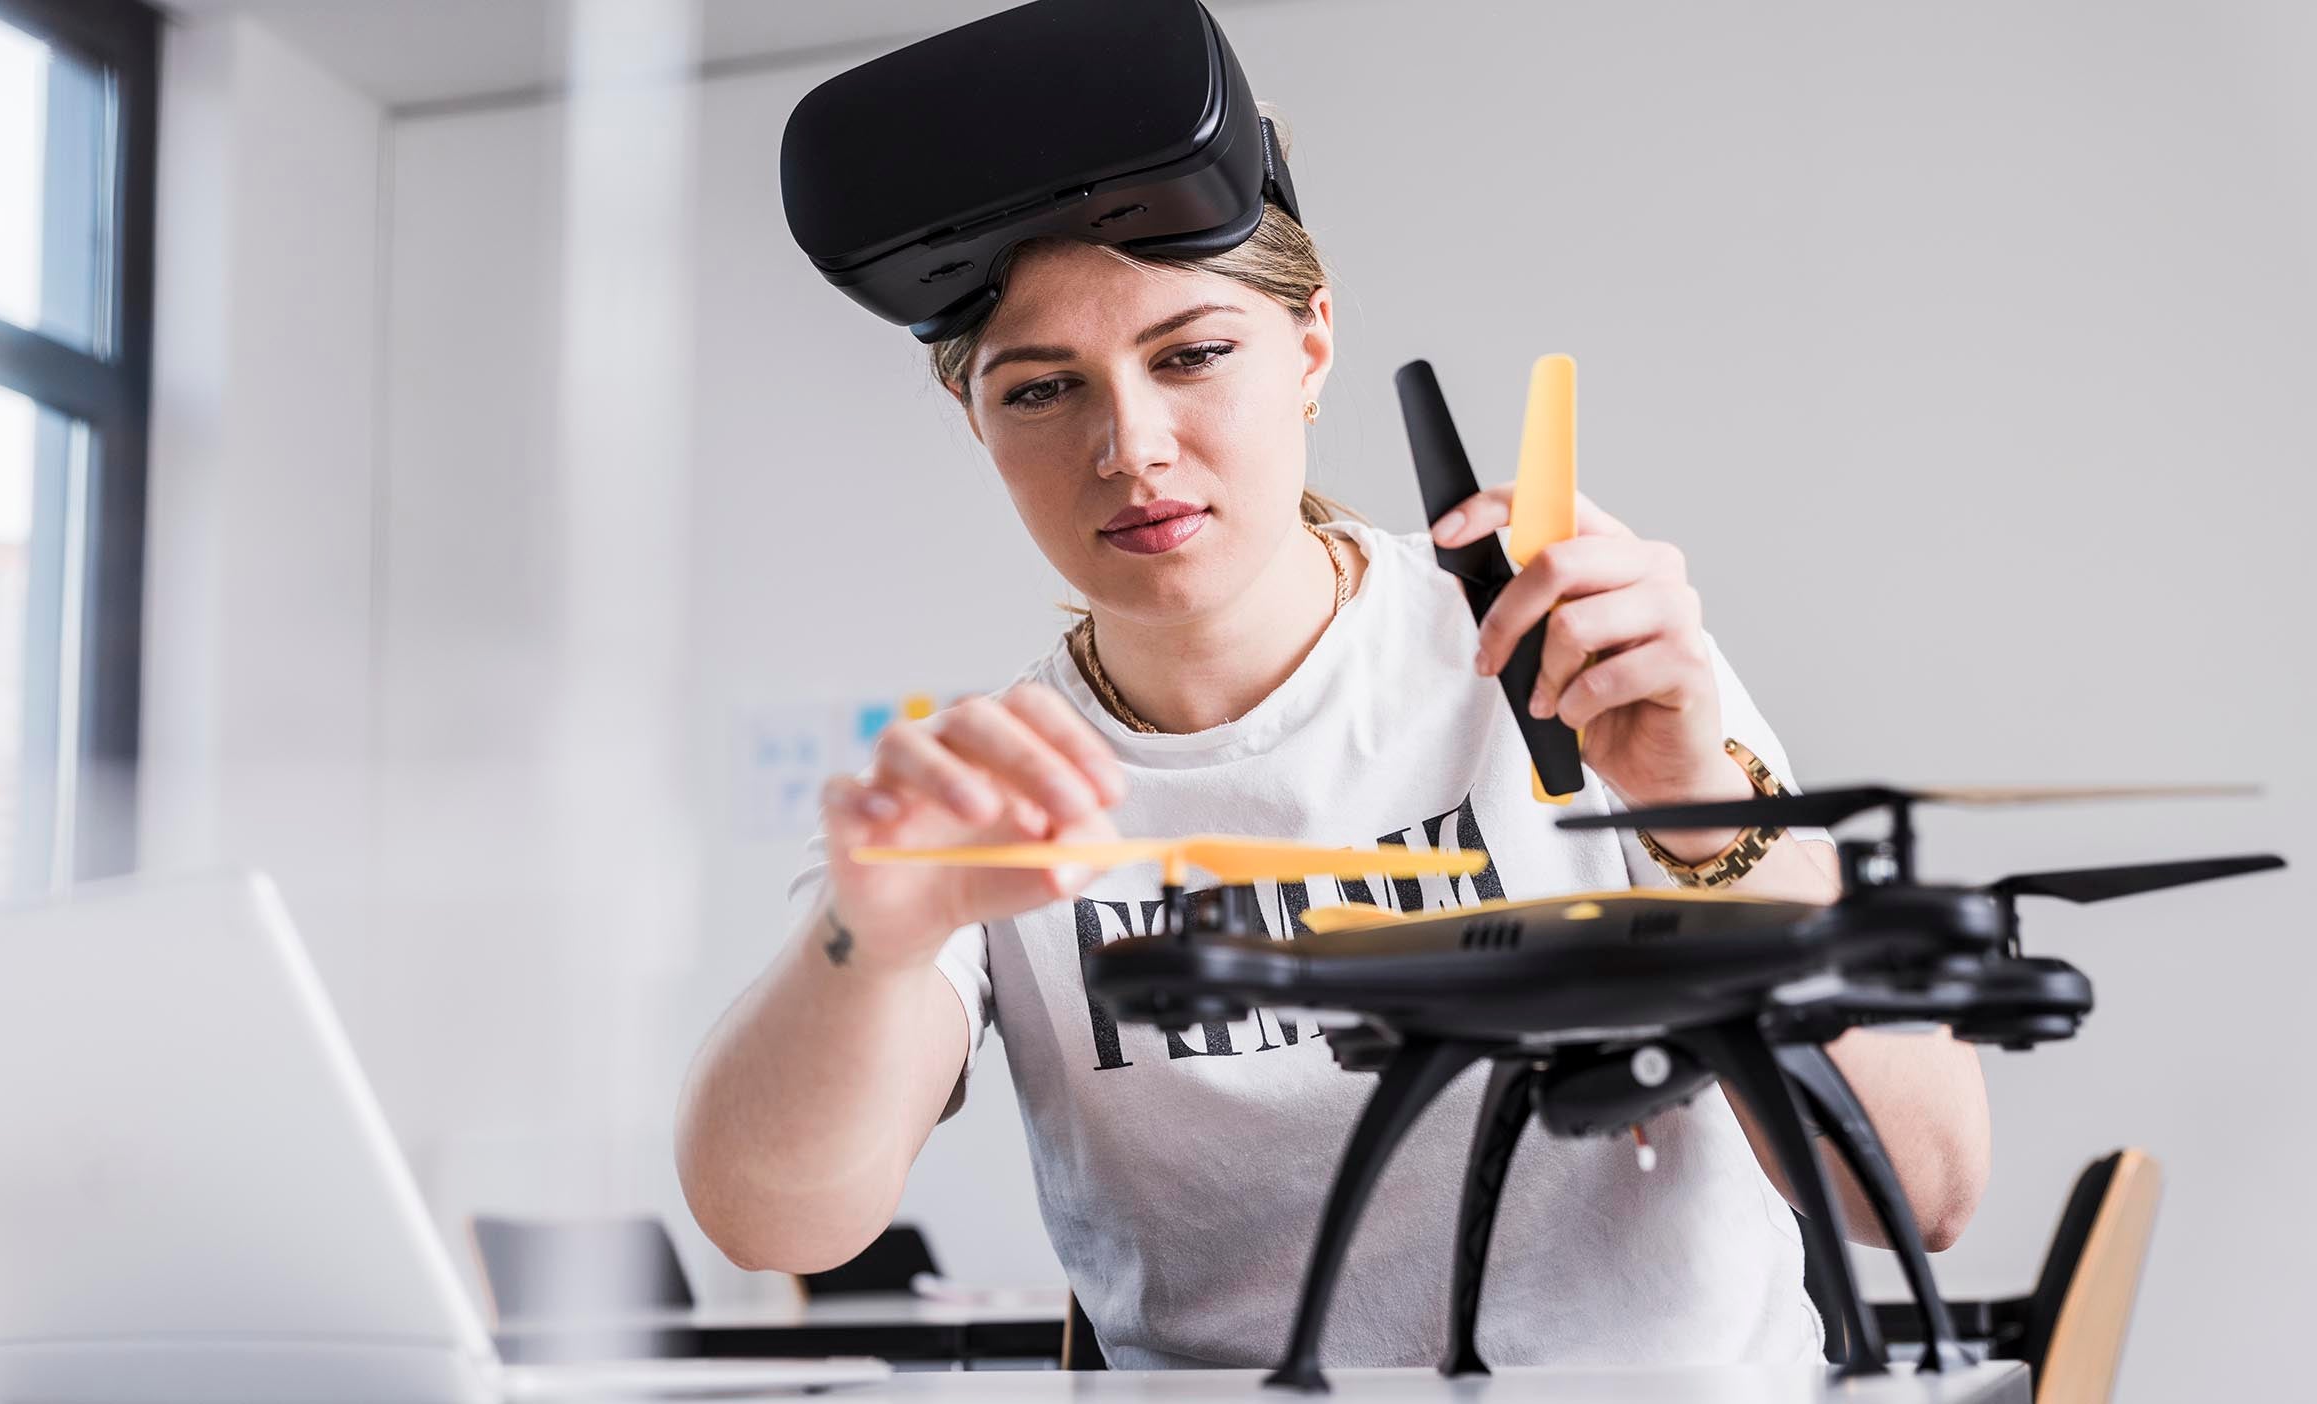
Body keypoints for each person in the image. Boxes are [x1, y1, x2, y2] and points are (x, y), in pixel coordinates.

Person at [675, 116, 1990, 1372]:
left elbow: (1922, 1192)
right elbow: (773, 1223)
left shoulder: (1569, 646)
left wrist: (1692, 798)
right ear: (981, 423)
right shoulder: (992, 791)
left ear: (1309, 348)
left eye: (1190, 356)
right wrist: (874, 936)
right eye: (1041, 389)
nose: (1129, 448)